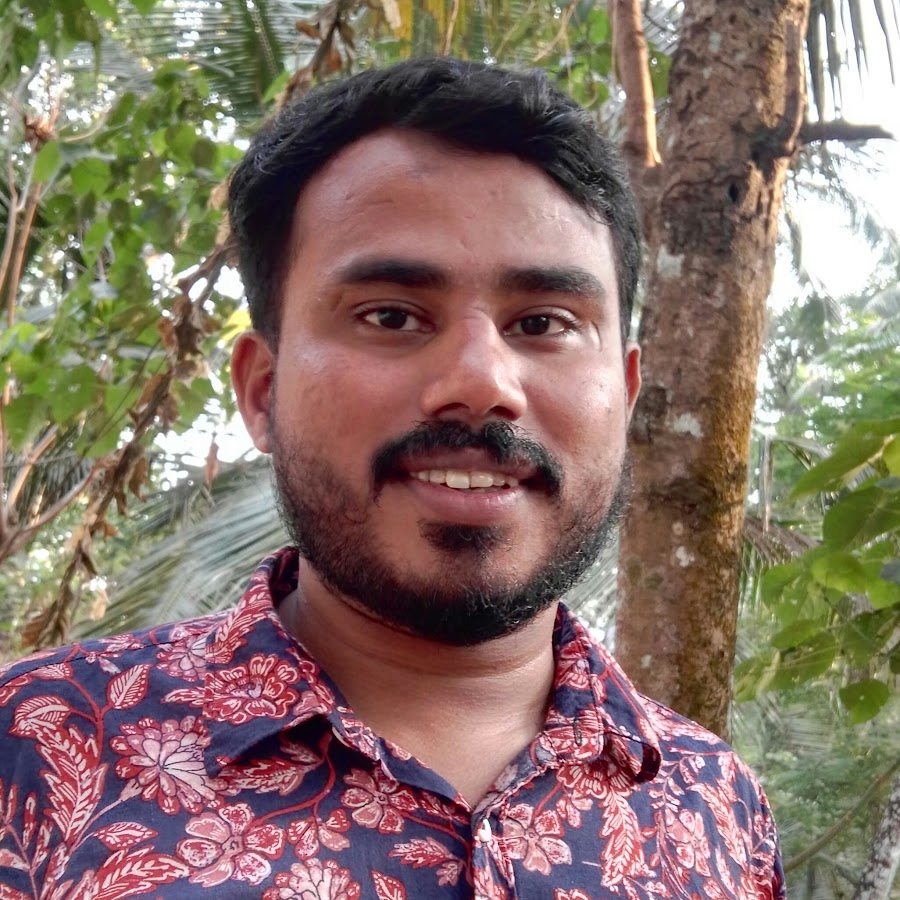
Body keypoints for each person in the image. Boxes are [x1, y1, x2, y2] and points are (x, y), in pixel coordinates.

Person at [0, 58, 784, 899]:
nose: (482, 382)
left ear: (624, 396)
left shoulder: (718, 810)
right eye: (391, 316)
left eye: (544, 323)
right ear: (263, 391)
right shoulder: (37, 748)